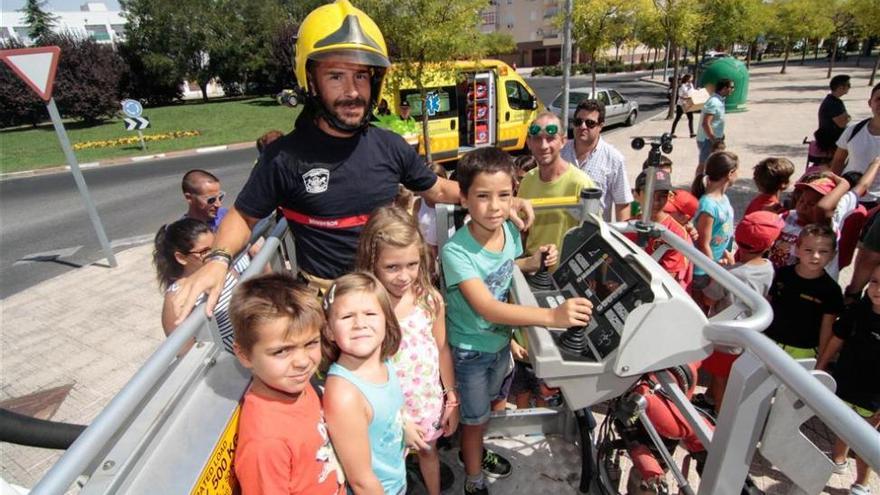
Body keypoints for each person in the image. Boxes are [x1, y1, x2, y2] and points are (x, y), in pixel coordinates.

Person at [170, 0, 533, 323]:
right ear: (310, 80)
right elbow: (244, 215)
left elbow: (438, 189)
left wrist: (501, 200)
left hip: (390, 296)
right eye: (336, 76)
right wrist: (218, 260)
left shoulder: (388, 146)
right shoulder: (285, 158)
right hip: (329, 306)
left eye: (361, 76)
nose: (352, 91)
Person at [440, 147, 594, 495]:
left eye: (503, 196)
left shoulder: (508, 232)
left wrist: (533, 261)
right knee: (475, 419)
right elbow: (488, 308)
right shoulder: (456, 252)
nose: (494, 207)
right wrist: (551, 317)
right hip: (471, 351)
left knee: (488, 411)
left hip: (499, 344)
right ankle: (474, 477)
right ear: (463, 198)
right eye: (482, 196)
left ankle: (474, 453)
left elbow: (506, 269)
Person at [356, 206, 457, 495]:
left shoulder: (430, 300)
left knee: (428, 452)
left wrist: (451, 397)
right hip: (386, 411)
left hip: (425, 402)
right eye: (392, 267)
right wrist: (400, 421)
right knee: (387, 468)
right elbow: (366, 372)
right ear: (372, 260)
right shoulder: (366, 308)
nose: (404, 276)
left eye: (412, 265)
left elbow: (441, 348)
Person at [230, 273, 344, 495]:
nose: (302, 362)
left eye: (311, 343)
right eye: (281, 351)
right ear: (244, 355)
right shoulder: (265, 442)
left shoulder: (296, 385)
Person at [323, 272, 426, 495]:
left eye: (370, 313)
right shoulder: (344, 395)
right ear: (329, 330)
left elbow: (389, 408)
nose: (360, 324)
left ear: (387, 321)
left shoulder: (383, 361)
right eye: (347, 317)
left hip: (396, 481)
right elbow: (361, 481)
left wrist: (404, 426)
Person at [700, 211, 782, 410]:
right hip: (746, 336)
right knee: (725, 377)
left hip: (724, 338)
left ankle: (719, 415)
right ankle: (710, 400)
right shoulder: (768, 268)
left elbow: (708, 298)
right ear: (769, 244)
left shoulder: (731, 274)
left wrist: (722, 272)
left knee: (721, 380)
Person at [817, 264, 880, 495]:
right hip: (846, 383)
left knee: (864, 440)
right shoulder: (858, 311)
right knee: (844, 426)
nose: (877, 289)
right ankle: (838, 458)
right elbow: (837, 338)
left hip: (872, 397)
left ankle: (862, 483)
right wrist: (821, 365)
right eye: (874, 281)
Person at [768, 159, 879, 279]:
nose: (804, 205)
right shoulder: (787, 216)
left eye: (811, 204)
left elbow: (860, 187)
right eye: (802, 200)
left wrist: (845, 183)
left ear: (832, 208)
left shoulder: (824, 227)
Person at [153, 218, 238, 353]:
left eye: (215, 246)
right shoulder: (175, 298)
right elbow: (187, 353)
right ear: (181, 258)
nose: (214, 254)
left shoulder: (221, 267)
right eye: (204, 251)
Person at [517, 111, 596, 257]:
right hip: (533, 271)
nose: (543, 145)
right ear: (529, 143)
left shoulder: (581, 184)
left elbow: (594, 238)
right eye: (537, 139)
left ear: (563, 141)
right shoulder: (527, 181)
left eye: (550, 138)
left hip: (565, 274)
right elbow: (522, 230)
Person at [765, 224, 843, 359]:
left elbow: (827, 329)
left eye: (823, 251)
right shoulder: (781, 274)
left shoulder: (832, 290)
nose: (815, 256)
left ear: (833, 255)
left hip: (803, 352)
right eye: (808, 250)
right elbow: (767, 305)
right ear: (797, 249)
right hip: (768, 342)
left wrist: (821, 362)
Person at [560, 99, 632, 221]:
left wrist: (622, 236)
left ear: (601, 126)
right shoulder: (560, 153)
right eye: (578, 122)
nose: (583, 127)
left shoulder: (614, 159)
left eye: (590, 123)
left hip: (595, 234)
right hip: (561, 231)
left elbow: (622, 203)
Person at [628, 169, 693, 290]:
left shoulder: (676, 234)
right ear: (636, 195)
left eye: (662, 196)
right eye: (650, 195)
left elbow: (667, 279)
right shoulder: (625, 227)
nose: (657, 201)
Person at [691, 151, 738, 304]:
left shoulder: (724, 199)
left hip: (718, 264)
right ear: (730, 173)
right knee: (702, 308)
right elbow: (703, 244)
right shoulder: (708, 205)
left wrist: (728, 251)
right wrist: (714, 272)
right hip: (704, 271)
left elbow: (727, 230)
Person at [830, 83, 880, 207]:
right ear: (870, 103)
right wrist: (835, 190)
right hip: (849, 198)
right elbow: (838, 160)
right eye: (878, 99)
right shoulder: (853, 130)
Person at [696, 79, 735, 173]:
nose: (733, 90)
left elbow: (716, 121)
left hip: (714, 138)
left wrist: (720, 134)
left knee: (712, 165)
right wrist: (714, 140)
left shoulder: (720, 100)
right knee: (703, 164)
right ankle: (698, 185)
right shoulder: (714, 102)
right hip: (707, 140)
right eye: (732, 87)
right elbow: (706, 123)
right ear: (725, 88)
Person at [814, 74, 852, 155]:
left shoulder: (832, 100)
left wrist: (846, 118)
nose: (849, 87)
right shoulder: (833, 103)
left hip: (830, 139)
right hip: (832, 142)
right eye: (848, 85)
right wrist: (848, 118)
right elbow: (841, 123)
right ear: (840, 87)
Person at [671, 74, 696, 138]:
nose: (692, 79)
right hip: (681, 104)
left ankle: (692, 133)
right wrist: (687, 97)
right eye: (691, 78)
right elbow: (680, 95)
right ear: (687, 79)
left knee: (691, 118)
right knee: (677, 118)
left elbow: (692, 92)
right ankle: (672, 133)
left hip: (688, 104)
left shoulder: (691, 85)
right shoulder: (682, 86)